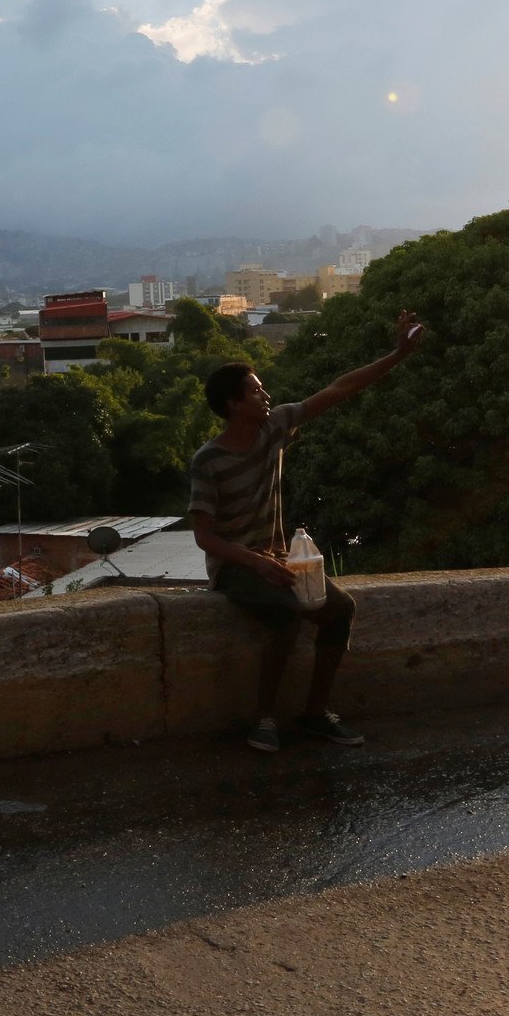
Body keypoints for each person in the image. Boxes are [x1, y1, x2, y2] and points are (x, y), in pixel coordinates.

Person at [188, 309, 423, 753]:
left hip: (278, 559)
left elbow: (339, 388)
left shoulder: (274, 428)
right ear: (234, 404)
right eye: (256, 391)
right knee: (287, 611)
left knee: (341, 608)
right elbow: (205, 537)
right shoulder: (208, 460)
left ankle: (315, 712)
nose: (266, 396)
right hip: (236, 567)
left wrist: (397, 355)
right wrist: (255, 562)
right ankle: (263, 719)